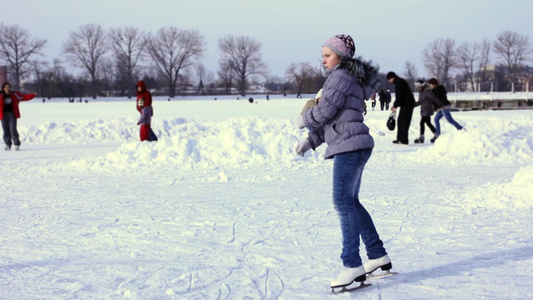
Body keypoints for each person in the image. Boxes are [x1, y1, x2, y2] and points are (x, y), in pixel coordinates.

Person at [295, 34, 391, 291]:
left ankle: (352, 266)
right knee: (352, 202)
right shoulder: (348, 78)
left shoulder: (340, 77)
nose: (323, 60)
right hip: (355, 144)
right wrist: (311, 141)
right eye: (323, 55)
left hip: (350, 147)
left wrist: (304, 118)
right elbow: (335, 119)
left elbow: (324, 112)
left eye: (327, 55)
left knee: (342, 202)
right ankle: (377, 255)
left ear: (341, 56)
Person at [0, 82, 36, 151]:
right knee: (6, 130)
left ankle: (16, 144)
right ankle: (8, 145)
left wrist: (32, 95)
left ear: (10, 88)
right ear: (3, 88)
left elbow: (24, 97)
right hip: (3, 115)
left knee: (13, 130)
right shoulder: (0, 95)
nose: (7, 88)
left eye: (8, 87)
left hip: (12, 114)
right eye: (6, 87)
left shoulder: (14, 94)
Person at [428, 78, 465, 143]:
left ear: (433, 84)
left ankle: (461, 129)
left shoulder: (439, 89)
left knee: (450, 120)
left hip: (444, 106)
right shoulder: (435, 90)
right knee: (436, 119)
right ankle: (437, 134)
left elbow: (437, 98)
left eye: (430, 84)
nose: (430, 86)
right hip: (440, 107)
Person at [386, 72, 415, 145]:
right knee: (400, 121)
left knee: (404, 122)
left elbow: (399, 96)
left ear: (392, 77)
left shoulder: (399, 83)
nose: (389, 81)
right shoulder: (399, 82)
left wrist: (395, 106)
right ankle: (400, 139)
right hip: (405, 104)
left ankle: (404, 140)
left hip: (408, 104)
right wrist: (395, 105)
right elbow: (399, 97)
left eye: (389, 79)